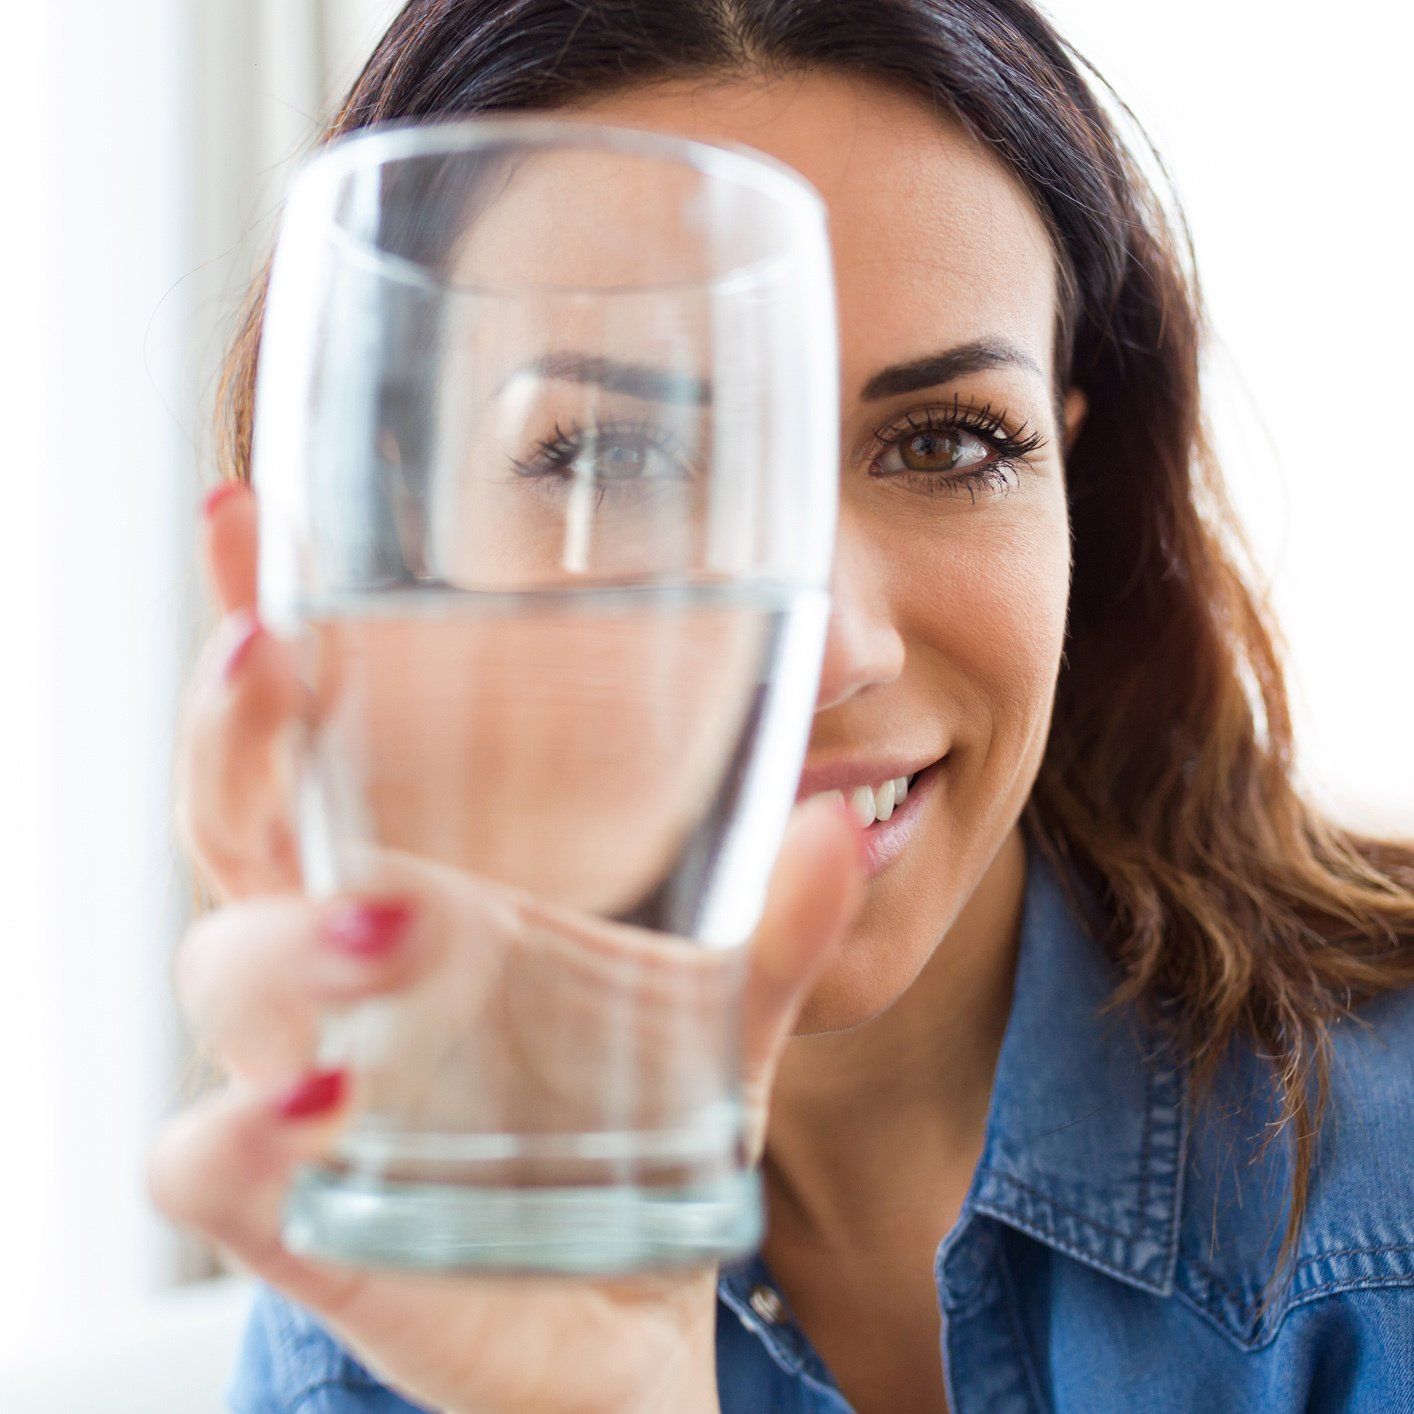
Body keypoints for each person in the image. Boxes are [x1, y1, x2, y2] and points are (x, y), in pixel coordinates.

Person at [149, 2, 1414, 1410]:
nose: (822, 650)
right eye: (617, 454)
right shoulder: (385, 1313)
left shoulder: (1387, 1212)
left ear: (1074, 480)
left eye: (945, 442)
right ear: (394, 521)